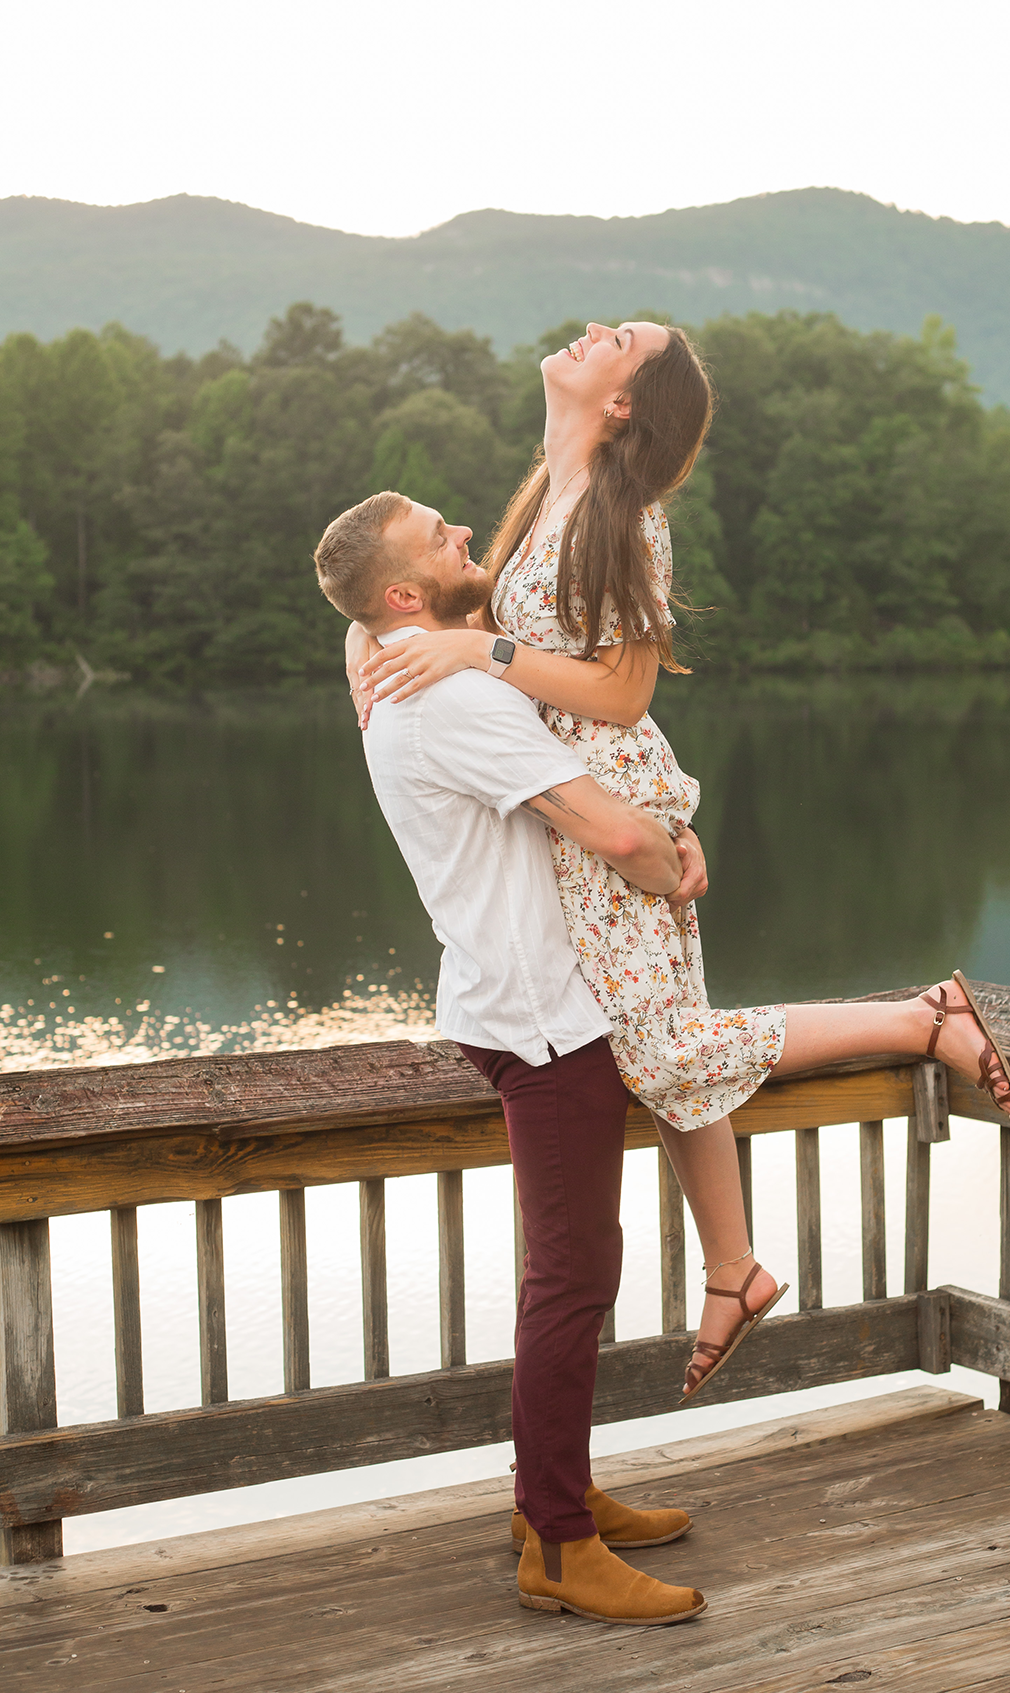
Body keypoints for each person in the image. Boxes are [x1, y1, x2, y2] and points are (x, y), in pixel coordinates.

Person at [350, 322, 1010, 1400]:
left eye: (618, 339)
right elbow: (414, 603)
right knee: (666, 1041)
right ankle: (734, 1265)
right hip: (578, 811)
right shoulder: (541, 505)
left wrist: (485, 656)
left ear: (625, 402)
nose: (590, 332)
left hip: (604, 807)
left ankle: (920, 1021)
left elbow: (621, 693)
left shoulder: (628, 519)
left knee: (659, 1050)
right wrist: (366, 647)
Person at [315, 491, 709, 1627]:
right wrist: (676, 854)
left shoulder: (402, 661)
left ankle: (560, 1494)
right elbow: (615, 833)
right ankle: (559, 1544)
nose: (468, 543)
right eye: (442, 540)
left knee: (574, 1265)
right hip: (545, 1018)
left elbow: (366, 608)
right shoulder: (451, 701)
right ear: (405, 598)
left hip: (513, 1002)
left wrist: (368, 631)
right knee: (573, 1275)